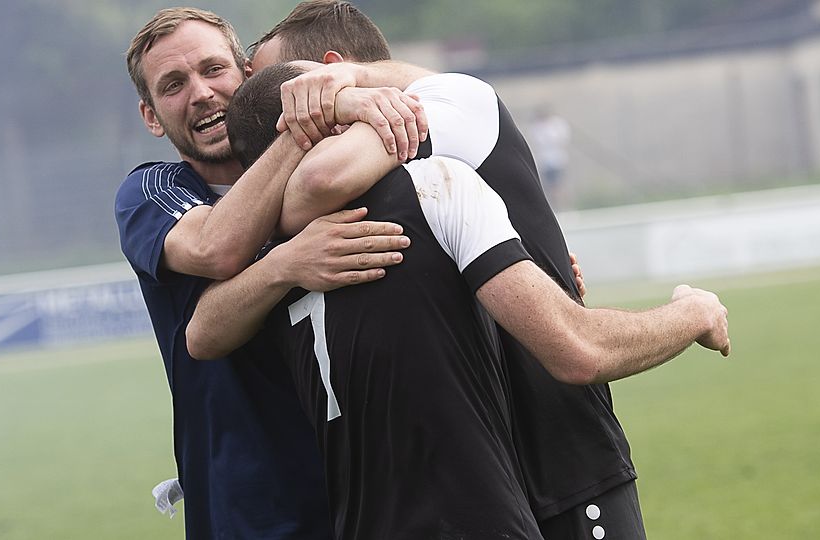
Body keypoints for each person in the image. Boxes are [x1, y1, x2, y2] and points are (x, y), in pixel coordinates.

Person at [186, 62, 730, 539]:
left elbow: (200, 335)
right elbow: (577, 350)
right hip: (477, 522)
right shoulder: (436, 185)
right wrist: (694, 311)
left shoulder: (263, 264)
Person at [115, 7, 428, 538]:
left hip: (375, 495)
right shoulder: (150, 192)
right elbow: (217, 249)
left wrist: (350, 79)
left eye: (213, 69)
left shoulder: (332, 167)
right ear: (151, 116)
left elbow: (448, 90)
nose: (201, 93)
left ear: (247, 75)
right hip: (255, 515)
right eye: (173, 85)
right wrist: (301, 130)